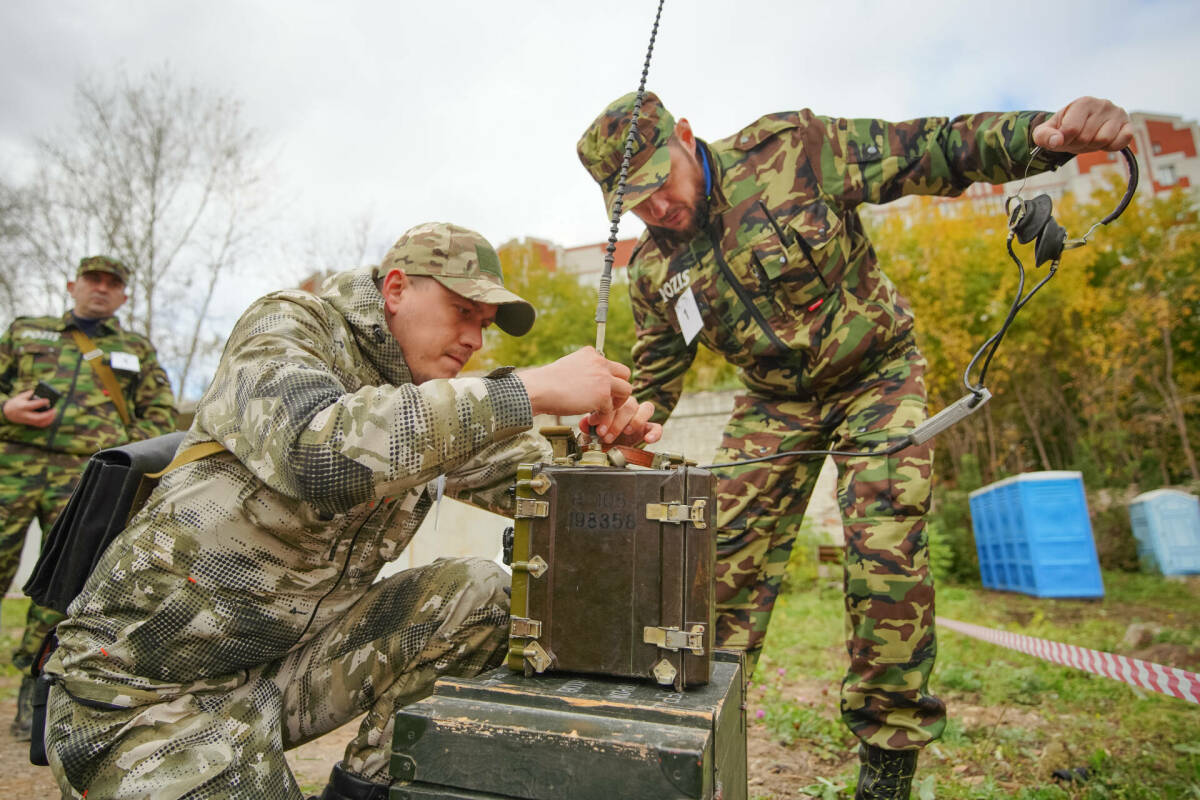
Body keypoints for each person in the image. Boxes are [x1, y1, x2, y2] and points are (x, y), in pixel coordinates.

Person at [577, 92, 1133, 798]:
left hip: (877, 372)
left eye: (661, 180)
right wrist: (630, 418)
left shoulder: (793, 151)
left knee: (885, 548)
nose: (655, 206)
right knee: (712, 563)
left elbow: (926, 147)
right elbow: (657, 372)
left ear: (687, 136)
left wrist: (1041, 135)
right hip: (776, 401)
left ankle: (888, 766)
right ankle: (696, 737)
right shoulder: (654, 270)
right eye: (634, 199)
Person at [42, 222, 662, 799]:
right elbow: (321, 455)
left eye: (485, 325)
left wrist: (611, 456)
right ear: (396, 289)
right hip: (139, 695)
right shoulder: (291, 325)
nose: (474, 339)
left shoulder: (430, 392)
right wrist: (527, 388)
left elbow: (541, 488)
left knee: (479, 597)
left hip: (275, 678)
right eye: (462, 313)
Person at [0, 255, 177, 740]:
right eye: (92, 280)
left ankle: (33, 697)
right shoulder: (25, 332)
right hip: (11, 466)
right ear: (72, 285)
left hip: (86, 480)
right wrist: (6, 407)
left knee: (63, 589)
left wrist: (117, 450)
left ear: (123, 295)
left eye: (112, 283)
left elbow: (160, 416)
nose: (100, 289)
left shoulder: (135, 349)